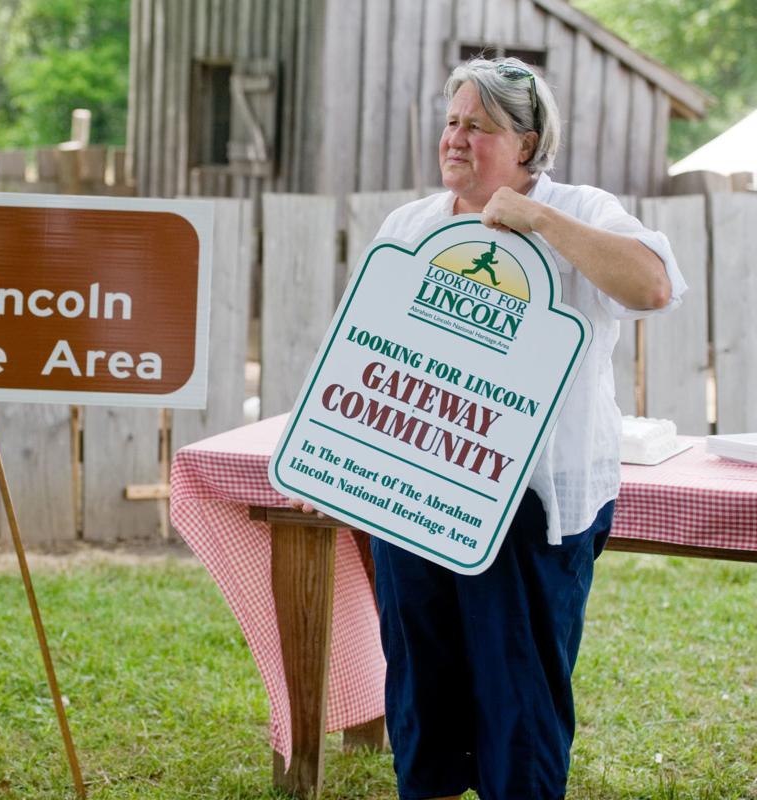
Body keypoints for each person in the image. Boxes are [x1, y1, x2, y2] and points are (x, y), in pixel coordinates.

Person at [293, 57, 686, 799]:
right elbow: (362, 347)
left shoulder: (579, 208)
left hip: (533, 502)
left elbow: (652, 286)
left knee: (520, 692)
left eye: (477, 126)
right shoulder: (410, 225)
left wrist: (537, 218)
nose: (455, 139)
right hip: (412, 493)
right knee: (422, 681)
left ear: (527, 144)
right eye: (451, 122)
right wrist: (327, 457)